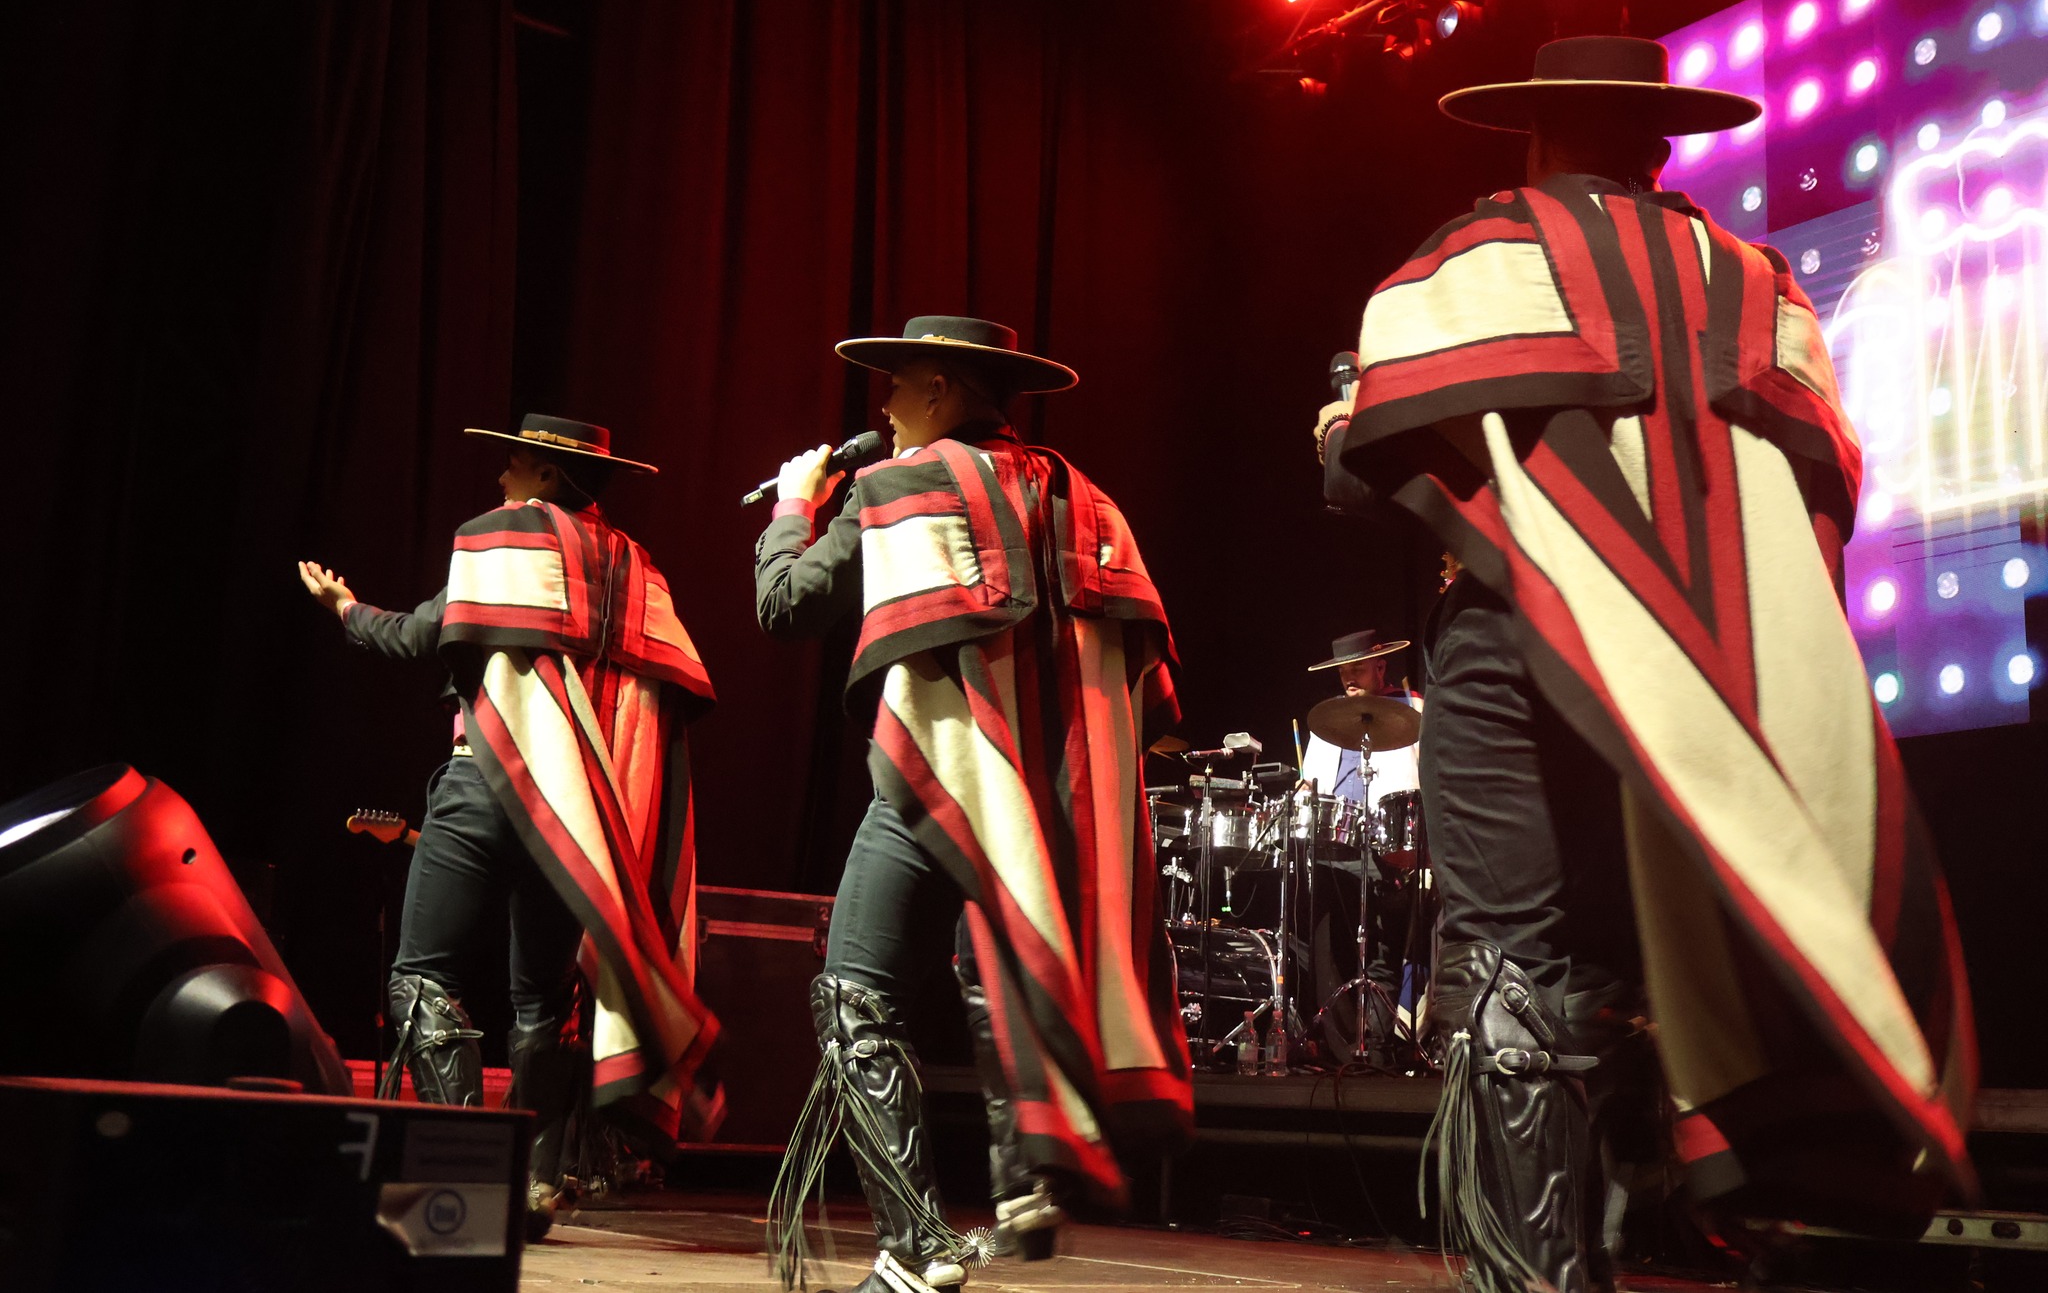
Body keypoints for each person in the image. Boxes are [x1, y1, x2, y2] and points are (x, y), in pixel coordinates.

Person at [1330, 37, 1976, 1291]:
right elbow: (1815, 484)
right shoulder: (1757, 280)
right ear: (1660, 145)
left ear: (1531, 136)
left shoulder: (1480, 254)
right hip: (1703, 671)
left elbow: (1373, 468)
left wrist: (1333, 427)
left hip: (1520, 636)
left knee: (1519, 960)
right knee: (1651, 958)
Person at [755, 317, 1191, 1293]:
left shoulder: (902, 490)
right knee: (990, 967)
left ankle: (912, 1248)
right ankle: (1019, 1172)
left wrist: (792, 507)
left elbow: (784, 604)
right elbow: (1143, 681)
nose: (885, 409)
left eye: (899, 388)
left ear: (942, 392)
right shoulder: (1086, 500)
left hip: (936, 773)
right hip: (1049, 799)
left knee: (855, 988)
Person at [298, 413, 719, 1240]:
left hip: (488, 781)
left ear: (548, 475)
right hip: (582, 810)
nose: (501, 481)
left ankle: (467, 1170)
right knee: (544, 1001)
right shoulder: (642, 571)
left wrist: (346, 609)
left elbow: (423, 636)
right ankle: (534, 1182)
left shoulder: (502, 542)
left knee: (420, 976)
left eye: (514, 465)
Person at [1297, 630, 1422, 1065]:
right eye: (1342, 671)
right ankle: (1342, 1050)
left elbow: (1426, 781)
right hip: (1333, 845)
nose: (1348, 677)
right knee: (1332, 951)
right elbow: (1310, 785)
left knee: (1383, 951)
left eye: (1357, 668)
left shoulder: (1412, 709)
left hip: (1389, 844)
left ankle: (1379, 1048)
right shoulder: (1326, 722)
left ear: (1380, 667)